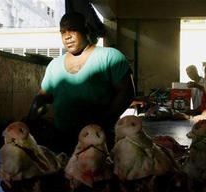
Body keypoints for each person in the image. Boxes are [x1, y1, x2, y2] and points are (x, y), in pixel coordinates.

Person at [26, 12, 135, 154]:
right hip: (61, 141)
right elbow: (42, 96)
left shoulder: (110, 56)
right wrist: (30, 119)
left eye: (73, 29)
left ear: (86, 30)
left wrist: (102, 121)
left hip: (98, 140)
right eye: (63, 32)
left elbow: (127, 93)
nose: (67, 36)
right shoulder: (55, 65)